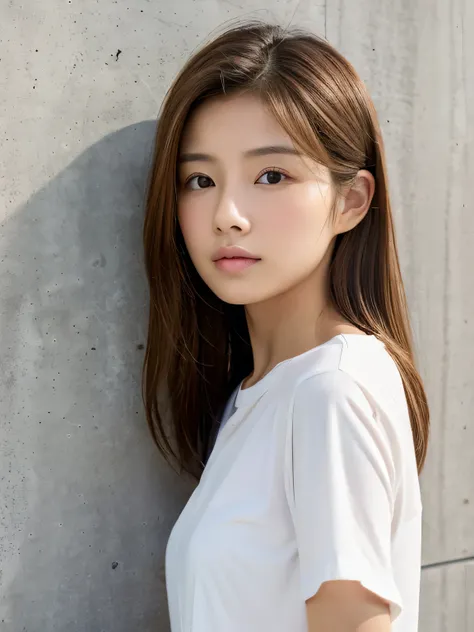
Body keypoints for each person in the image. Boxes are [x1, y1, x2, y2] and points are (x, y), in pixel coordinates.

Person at [141, 19, 429, 632]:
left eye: (271, 175)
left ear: (350, 201)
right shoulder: (263, 393)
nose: (228, 215)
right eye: (200, 180)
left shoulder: (332, 391)